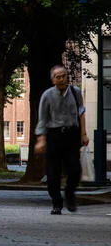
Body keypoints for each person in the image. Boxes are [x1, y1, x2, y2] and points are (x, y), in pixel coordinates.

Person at [35, 65, 89, 215]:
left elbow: (81, 113)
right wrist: (41, 139)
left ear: (67, 77)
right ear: (52, 80)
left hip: (71, 135)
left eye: (63, 76)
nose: (61, 79)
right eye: (57, 77)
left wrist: (83, 134)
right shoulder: (47, 95)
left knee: (74, 170)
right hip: (54, 135)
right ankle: (56, 203)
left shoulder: (75, 92)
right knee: (53, 172)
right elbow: (42, 119)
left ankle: (70, 193)